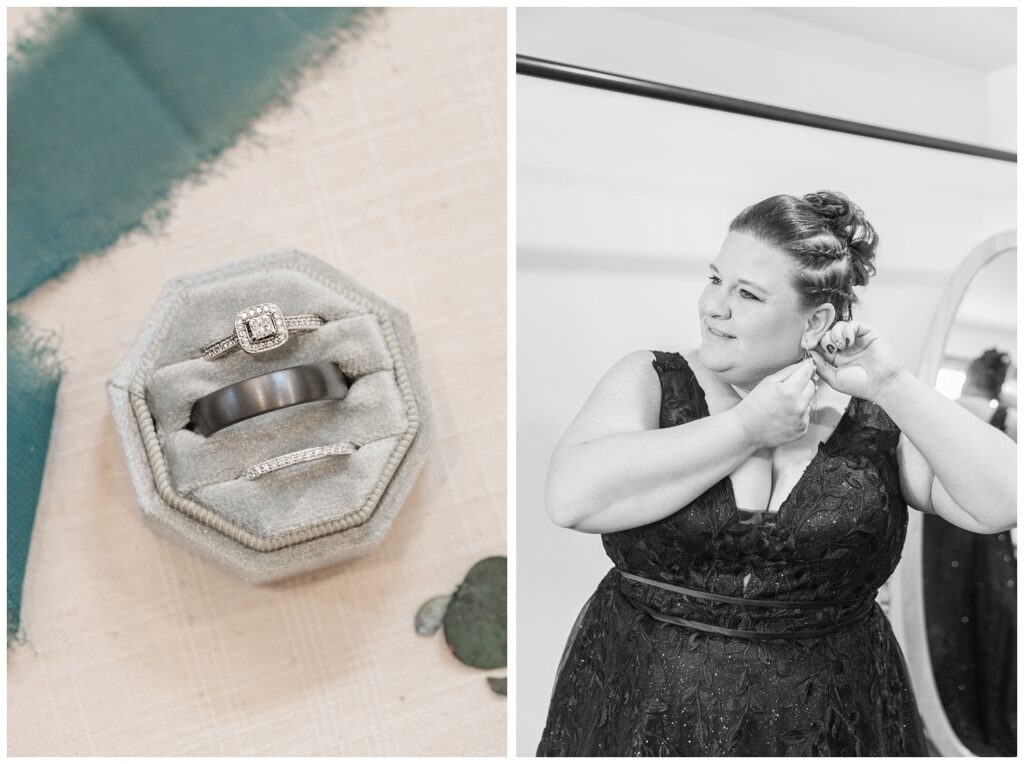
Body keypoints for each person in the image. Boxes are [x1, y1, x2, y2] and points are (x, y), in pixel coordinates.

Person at [535, 191, 1017, 756]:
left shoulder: (875, 422)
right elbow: (570, 499)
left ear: (814, 320)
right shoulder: (649, 380)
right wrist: (745, 429)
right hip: (642, 708)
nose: (714, 306)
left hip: (830, 725)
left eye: (747, 294)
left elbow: (1002, 500)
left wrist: (891, 385)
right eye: (715, 279)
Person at [922, 348, 1016, 756]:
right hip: (986, 538)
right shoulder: (1007, 420)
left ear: (968, 377)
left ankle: (939, 699)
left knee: (941, 612)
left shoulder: (943, 409)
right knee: (990, 615)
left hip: (940, 529)